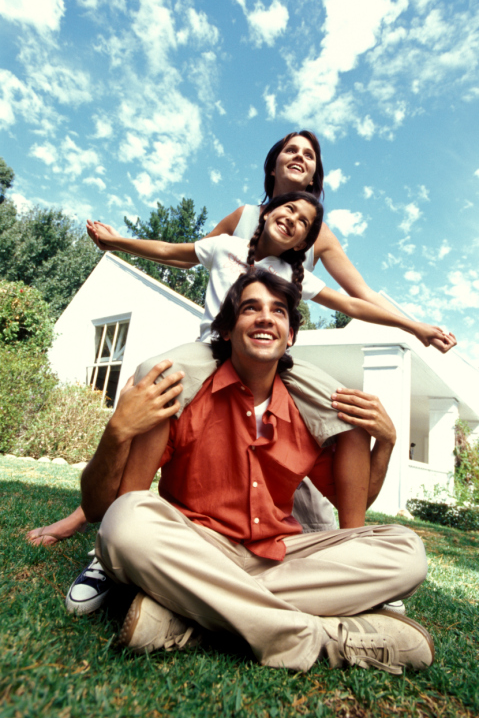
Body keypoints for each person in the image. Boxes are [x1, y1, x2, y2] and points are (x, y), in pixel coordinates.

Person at [26, 130, 455, 546]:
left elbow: (356, 300)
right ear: (273, 164)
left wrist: (414, 327)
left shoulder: (310, 242)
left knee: (344, 408)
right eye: (292, 148)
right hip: (215, 347)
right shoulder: (239, 226)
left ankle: (351, 542)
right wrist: (120, 243)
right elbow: (182, 253)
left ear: (314, 182)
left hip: (271, 359)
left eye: (311, 156)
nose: (301, 157)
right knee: (152, 378)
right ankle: (102, 519)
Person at [82, 269, 433, 675]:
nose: (266, 317)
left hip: (278, 558)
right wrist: (117, 431)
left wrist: (386, 444)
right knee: (126, 523)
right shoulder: (182, 395)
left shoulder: (308, 415)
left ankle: (189, 617)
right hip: (197, 547)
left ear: (291, 337)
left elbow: (351, 499)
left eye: (278, 311)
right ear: (228, 331)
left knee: (407, 552)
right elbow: (110, 507)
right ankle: (321, 637)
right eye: (251, 308)